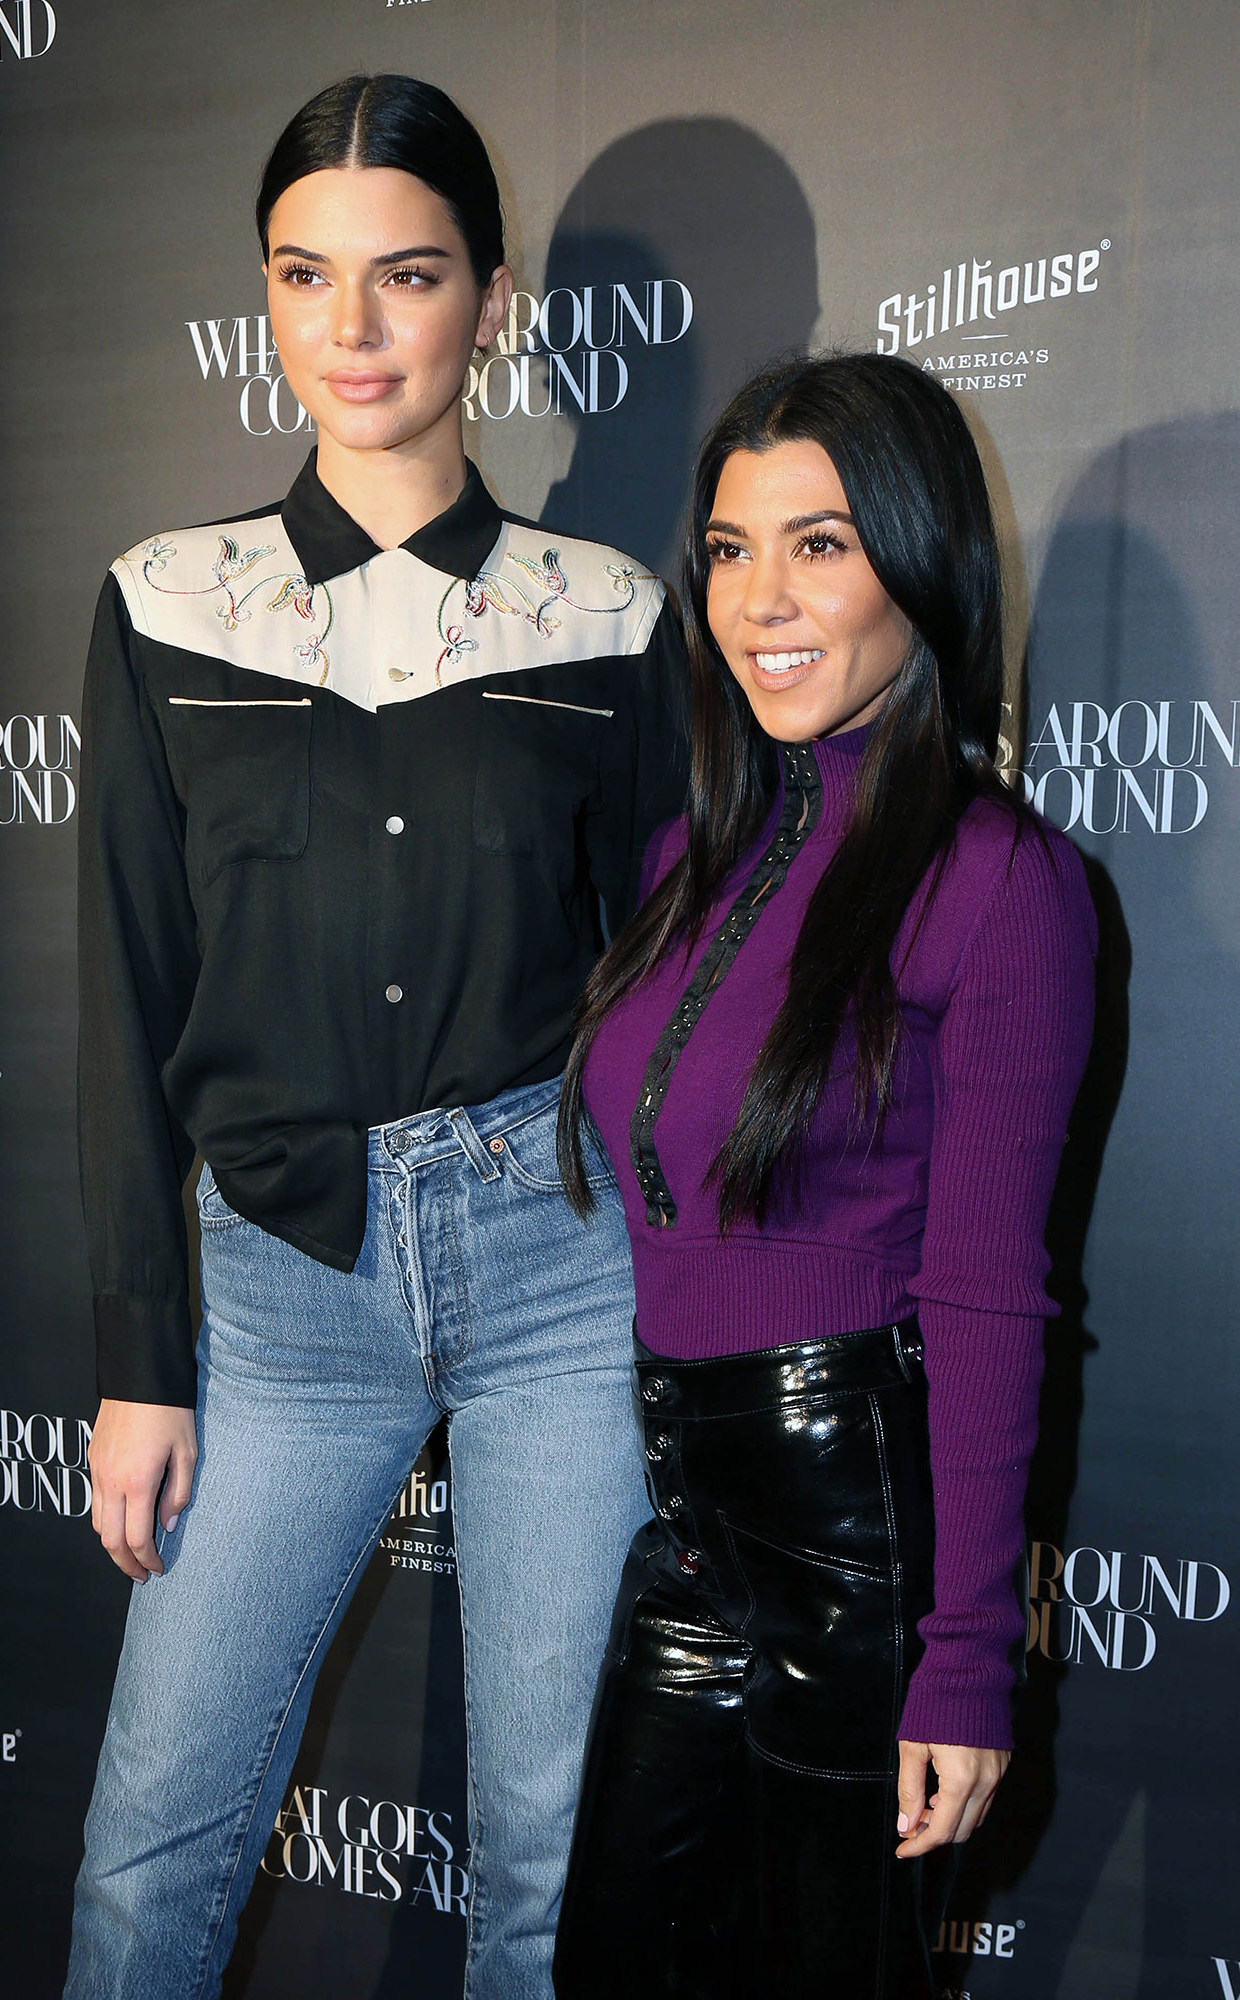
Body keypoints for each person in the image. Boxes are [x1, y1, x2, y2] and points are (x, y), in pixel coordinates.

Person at [64, 73, 685, 2000]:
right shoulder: (166, 604)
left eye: (405, 275)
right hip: (277, 1291)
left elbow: (672, 987)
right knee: (149, 1853)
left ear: (491, 302)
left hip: (562, 1275)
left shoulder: (611, 616)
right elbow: (125, 993)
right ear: (263, 294)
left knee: (548, 1873)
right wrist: (138, 1363)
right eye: (302, 274)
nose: (350, 327)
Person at [551, 352, 1097, 1998]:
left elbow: (988, 1292)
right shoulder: (688, 857)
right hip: (693, 1538)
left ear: (919, 567)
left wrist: (963, 1656)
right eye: (729, 549)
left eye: (819, 545)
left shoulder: (999, 882)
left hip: (865, 1549)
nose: (758, 600)